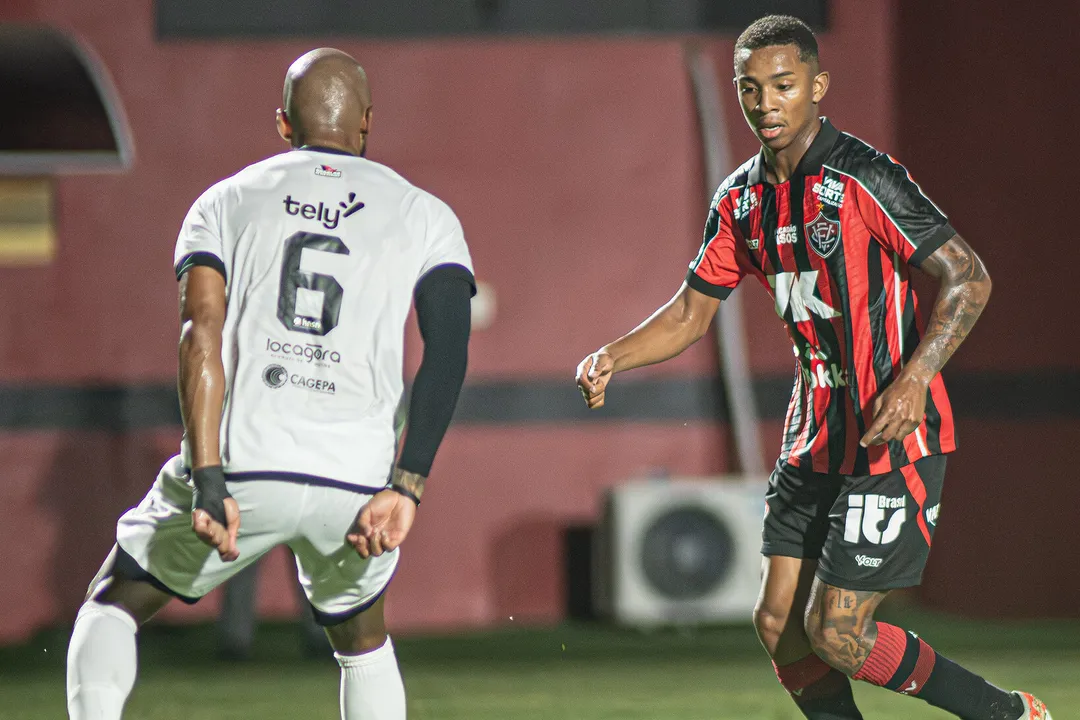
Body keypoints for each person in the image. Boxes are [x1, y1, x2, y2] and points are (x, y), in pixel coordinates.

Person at [576, 15, 1049, 720]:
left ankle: (1007, 714)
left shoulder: (863, 176)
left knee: (837, 632)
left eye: (783, 85)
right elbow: (689, 314)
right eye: (750, 88)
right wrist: (611, 354)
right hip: (814, 440)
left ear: (818, 87)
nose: (765, 102)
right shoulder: (740, 201)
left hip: (892, 437)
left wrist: (915, 377)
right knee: (778, 626)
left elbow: (968, 277)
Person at [65, 47, 474, 720]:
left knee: (114, 601)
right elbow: (449, 352)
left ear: (283, 124)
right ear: (367, 123)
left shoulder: (225, 201)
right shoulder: (427, 215)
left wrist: (207, 478)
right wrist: (408, 484)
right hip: (356, 481)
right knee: (363, 642)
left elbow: (199, 334)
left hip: (246, 462)